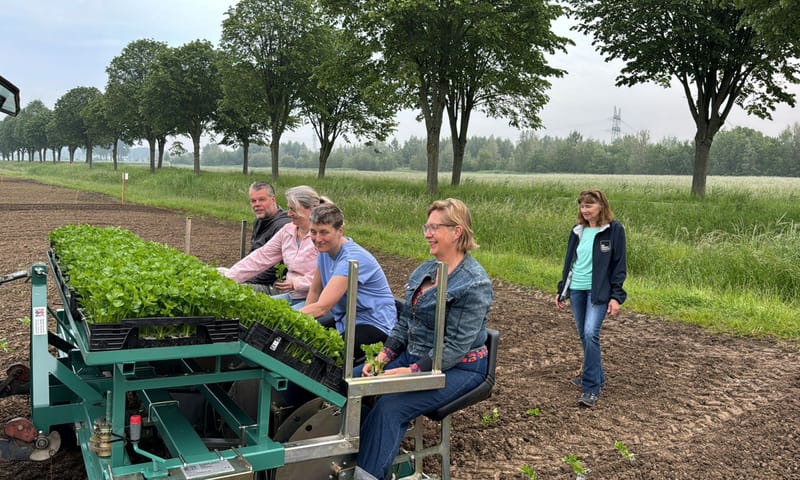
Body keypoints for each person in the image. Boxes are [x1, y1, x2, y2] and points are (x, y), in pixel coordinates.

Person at [352, 198, 493, 480]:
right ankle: (355, 456)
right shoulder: (424, 270)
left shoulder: (474, 283)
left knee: (391, 408)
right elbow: (405, 321)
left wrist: (413, 372)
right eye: (426, 227)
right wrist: (383, 357)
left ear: (457, 231)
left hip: (460, 367)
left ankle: (366, 475)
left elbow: (455, 346)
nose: (427, 233)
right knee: (353, 382)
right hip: (417, 354)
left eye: (434, 227)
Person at [556, 189, 627, 408]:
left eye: (589, 206)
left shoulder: (614, 231)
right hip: (576, 289)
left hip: (598, 292)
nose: (584, 210)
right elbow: (570, 262)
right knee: (583, 335)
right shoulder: (578, 230)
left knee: (590, 333)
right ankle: (596, 375)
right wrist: (562, 290)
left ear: (602, 206)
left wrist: (616, 296)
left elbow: (618, 266)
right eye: (582, 206)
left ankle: (590, 388)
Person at [299, 203, 396, 359]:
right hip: (347, 320)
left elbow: (323, 307)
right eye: (313, 232)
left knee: (322, 356)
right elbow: (315, 291)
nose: (318, 239)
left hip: (374, 325)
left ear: (340, 231)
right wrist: (303, 324)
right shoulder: (325, 251)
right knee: (301, 343)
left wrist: (286, 318)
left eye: (324, 232)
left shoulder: (351, 259)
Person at [218, 185, 328, 307]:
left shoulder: (322, 237)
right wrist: (228, 277)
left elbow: (328, 274)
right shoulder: (288, 231)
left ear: (311, 209)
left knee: (280, 321)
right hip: (292, 295)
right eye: (288, 208)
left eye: (293, 209)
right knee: (257, 311)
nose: (289, 214)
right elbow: (262, 257)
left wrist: (296, 283)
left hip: (318, 299)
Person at [242, 181, 291, 294]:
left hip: (276, 285)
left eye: (262, 200)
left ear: (273, 199)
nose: (257, 204)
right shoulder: (259, 221)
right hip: (256, 277)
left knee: (232, 289)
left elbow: (275, 269)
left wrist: (245, 279)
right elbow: (253, 255)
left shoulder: (283, 225)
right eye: (253, 201)